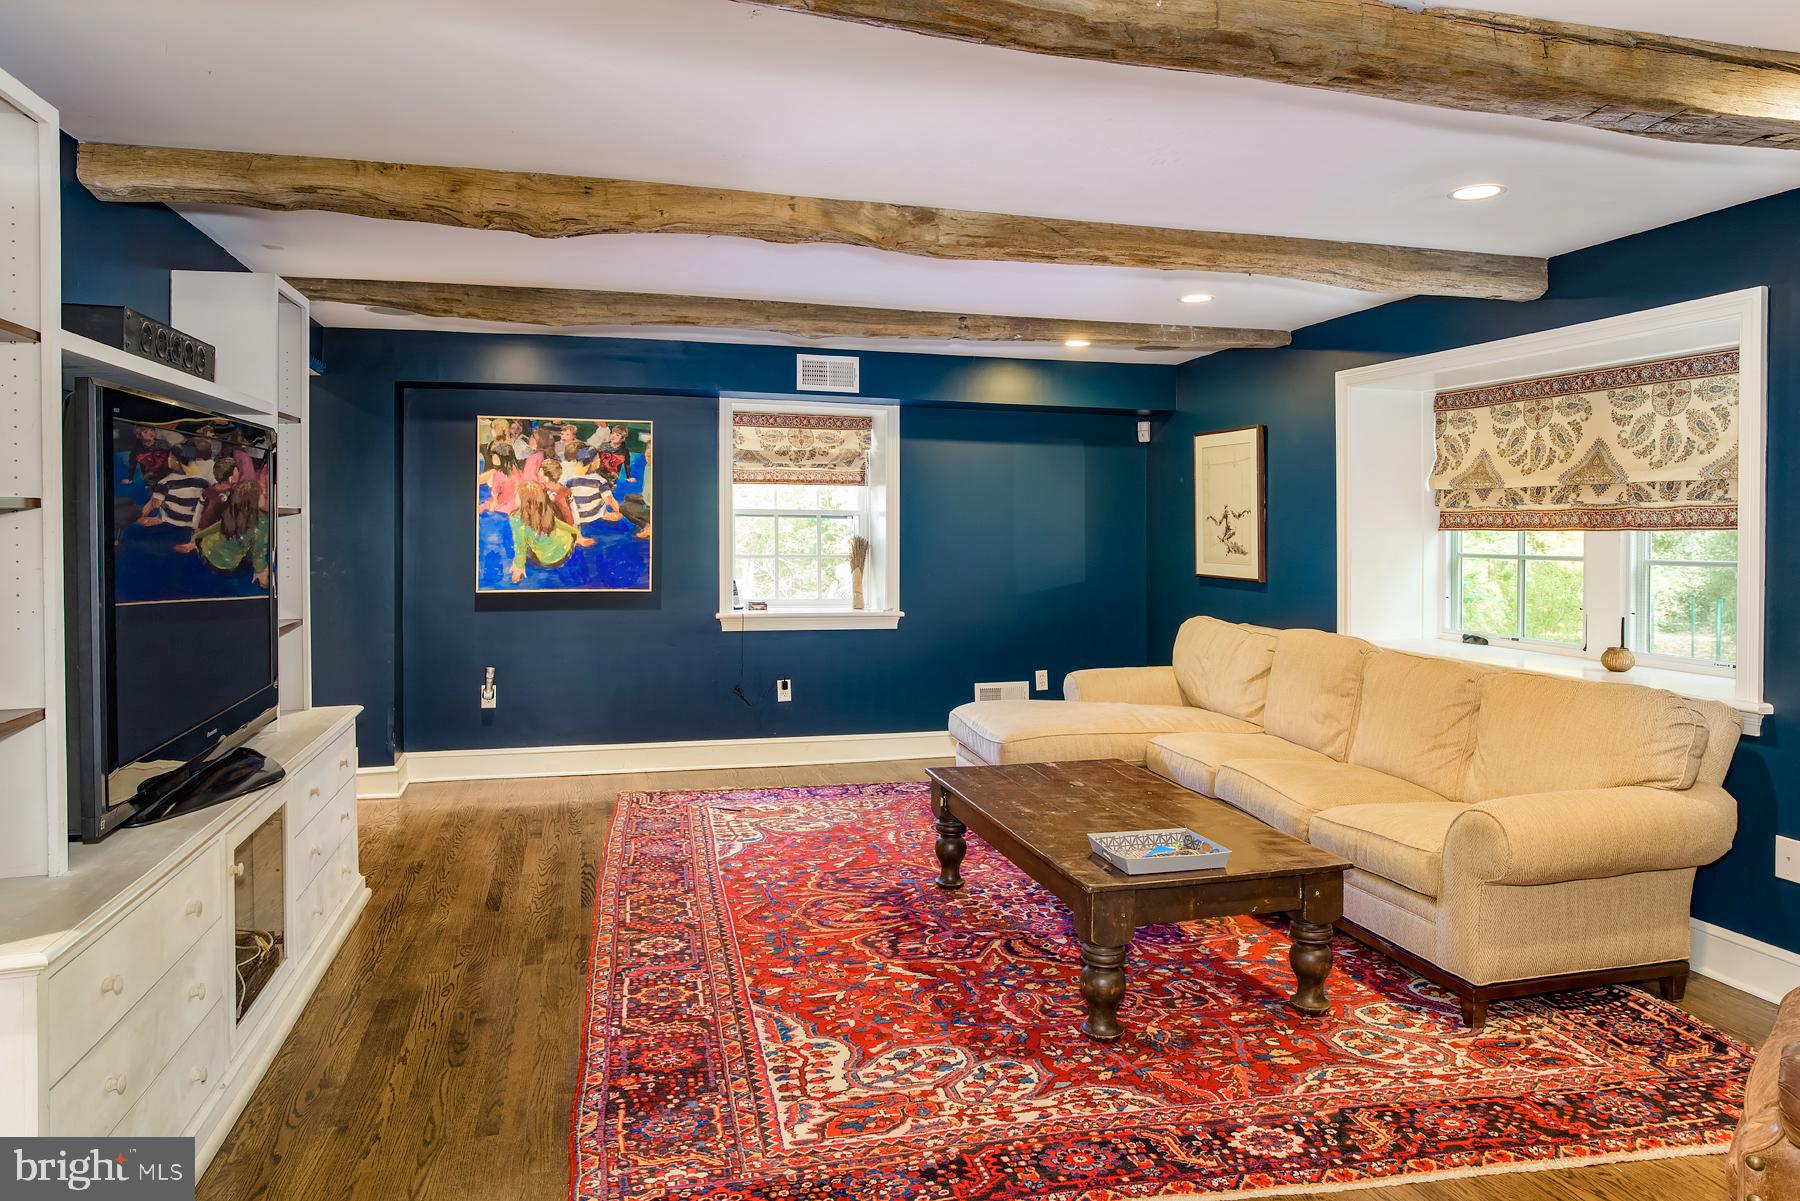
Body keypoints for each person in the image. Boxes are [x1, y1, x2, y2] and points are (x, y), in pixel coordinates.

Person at [176, 479, 270, 587]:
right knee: (257, 552)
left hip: (205, 551)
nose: (264, 494)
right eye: (261, 493)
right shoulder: (262, 524)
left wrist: (196, 537)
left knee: (225, 537)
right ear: (253, 502)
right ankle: (262, 579)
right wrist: (260, 572)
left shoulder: (232, 511)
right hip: (228, 566)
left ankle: (194, 546)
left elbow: (216, 527)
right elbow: (258, 554)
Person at [507, 480, 579, 583]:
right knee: (551, 530)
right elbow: (558, 523)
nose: (515, 496)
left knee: (526, 546)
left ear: (524, 502)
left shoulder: (517, 521)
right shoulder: (545, 509)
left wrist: (519, 566)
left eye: (517, 495)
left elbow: (520, 547)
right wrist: (575, 533)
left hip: (548, 561)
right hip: (568, 547)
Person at [137, 443, 209, 531]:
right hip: (191, 527)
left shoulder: (167, 482)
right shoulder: (204, 482)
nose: (168, 459)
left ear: (176, 461)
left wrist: (141, 518)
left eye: (170, 457)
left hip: (169, 524)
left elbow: (153, 505)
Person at [539, 458, 593, 546]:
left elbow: (569, 514)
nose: (539, 476)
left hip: (563, 528)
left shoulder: (559, 495)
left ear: (549, 476)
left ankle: (576, 538)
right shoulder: (547, 490)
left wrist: (576, 531)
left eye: (541, 474)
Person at [480, 443, 521, 514]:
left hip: (506, 506)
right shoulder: (511, 471)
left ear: (503, 459)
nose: (493, 459)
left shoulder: (503, 473)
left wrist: (493, 503)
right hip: (508, 503)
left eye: (495, 457)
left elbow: (495, 493)